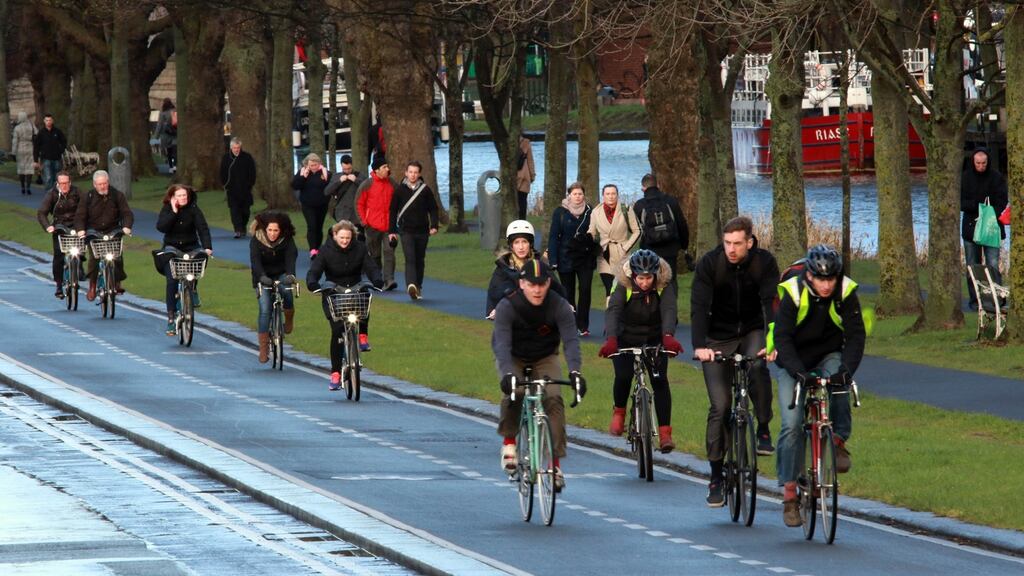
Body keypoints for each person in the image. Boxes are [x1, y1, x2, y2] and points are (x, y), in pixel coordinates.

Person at [772, 244, 865, 528]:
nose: (826, 285)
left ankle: (837, 442)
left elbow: (856, 336)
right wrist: (797, 371)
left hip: (828, 354)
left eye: (830, 279)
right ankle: (790, 493)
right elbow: (782, 338)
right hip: (795, 359)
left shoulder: (846, 293)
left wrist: (846, 371)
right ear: (810, 276)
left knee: (839, 384)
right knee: (791, 423)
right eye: (821, 279)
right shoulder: (792, 292)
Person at [691, 216, 780, 507]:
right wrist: (699, 346)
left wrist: (773, 340)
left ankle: (763, 427)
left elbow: (770, 303)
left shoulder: (763, 262)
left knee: (756, 367)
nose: (731, 249)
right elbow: (699, 306)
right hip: (717, 337)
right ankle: (716, 477)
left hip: (752, 331)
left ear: (750, 242)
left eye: (737, 244)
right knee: (720, 407)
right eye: (727, 243)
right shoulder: (710, 264)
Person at [492, 259, 586, 491]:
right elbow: (502, 344)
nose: (537, 290)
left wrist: (575, 372)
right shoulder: (508, 306)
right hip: (513, 355)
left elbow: (571, 341)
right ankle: (510, 443)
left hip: (545, 356)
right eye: (531, 284)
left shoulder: (559, 306)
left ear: (548, 283)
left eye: (542, 284)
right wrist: (506, 374)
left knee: (553, 397)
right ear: (522, 283)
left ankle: (554, 465)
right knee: (517, 391)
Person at [599, 249, 683, 453]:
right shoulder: (623, 284)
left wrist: (669, 337)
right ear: (633, 275)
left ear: (655, 274)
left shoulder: (664, 283)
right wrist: (611, 339)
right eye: (640, 278)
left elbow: (670, 310)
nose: (645, 282)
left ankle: (665, 434)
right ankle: (619, 413)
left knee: (660, 381)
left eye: (648, 278)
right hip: (623, 336)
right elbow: (614, 311)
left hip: (655, 338)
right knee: (623, 376)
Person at [306, 220, 384, 389]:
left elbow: (370, 267)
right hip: (334, 292)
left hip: (355, 288)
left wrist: (377, 279)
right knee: (337, 332)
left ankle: (363, 334)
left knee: (364, 296)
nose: (345, 240)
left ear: (353, 236)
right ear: (335, 236)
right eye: (341, 237)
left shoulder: (360, 248)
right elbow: (315, 270)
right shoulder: (326, 251)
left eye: (348, 237)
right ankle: (335, 373)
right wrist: (313, 283)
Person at [155, 185, 212, 335]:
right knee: (172, 280)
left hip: (191, 247)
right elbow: (161, 227)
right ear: (173, 197)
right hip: (172, 248)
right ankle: (171, 318)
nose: (183, 198)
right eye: (179, 196)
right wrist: (174, 212)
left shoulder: (194, 209)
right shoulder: (167, 209)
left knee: (200, 261)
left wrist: (207, 247)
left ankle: (192, 289)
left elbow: (203, 229)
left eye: (185, 195)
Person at [485, 220, 566, 319]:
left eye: (524, 242)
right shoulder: (504, 266)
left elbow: (556, 288)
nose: (521, 247)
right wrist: (493, 310)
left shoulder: (540, 264)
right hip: (513, 317)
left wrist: (564, 305)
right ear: (511, 245)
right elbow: (494, 292)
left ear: (530, 243)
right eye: (516, 242)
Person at [74, 170, 134, 301]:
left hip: (113, 231)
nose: (102, 186)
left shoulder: (117, 195)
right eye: (99, 184)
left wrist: (127, 227)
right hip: (94, 232)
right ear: (94, 184)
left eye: (105, 183)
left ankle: (117, 282)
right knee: (94, 259)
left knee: (117, 257)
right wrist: (80, 230)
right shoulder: (88, 196)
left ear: (108, 182)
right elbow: (80, 215)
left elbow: (127, 213)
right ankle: (92, 285)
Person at [548, 182, 598, 336]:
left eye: (580, 194)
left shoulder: (591, 211)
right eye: (574, 194)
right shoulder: (560, 212)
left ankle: (583, 326)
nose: (578, 197)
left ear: (584, 195)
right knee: (568, 292)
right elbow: (553, 237)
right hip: (565, 257)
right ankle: (571, 323)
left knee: (585, 290)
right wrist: (553, 259)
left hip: (585, 257)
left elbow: (596, 232)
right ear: (569, 195)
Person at [960, 148, 1007, 309]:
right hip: (971, 227)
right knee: (973, 266)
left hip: (992, 227)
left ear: (988, 162)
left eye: (984, 163)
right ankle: (975, 300)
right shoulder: (965, 178)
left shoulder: (996, 177)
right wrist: (978, 206)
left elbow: (1002, 201)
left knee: (993, 264)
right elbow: (961, 202)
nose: (981, 166)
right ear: (973, 162)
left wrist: (990, 210)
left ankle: (996, 298)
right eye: (978, 163)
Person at [250, 211, 298, 363]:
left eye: (276, 230)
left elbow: (291, 258)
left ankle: (289, 318)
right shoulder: (256, 240)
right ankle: (263, 348)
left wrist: (290, 275)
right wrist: (262, 277)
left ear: (281, 230)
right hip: (262, 276)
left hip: (282, 274)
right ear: (265, 229)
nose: (272, 234)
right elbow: (255, 262)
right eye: (269, 230)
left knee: (287, 292)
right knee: (265, 309)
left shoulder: (288, 240)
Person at [389, 160, 438, 300]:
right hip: (406, 230)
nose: (413, 175)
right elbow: (392, 211)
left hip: (423, 231)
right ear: (406, 173)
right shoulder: (399, 190)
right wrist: (391, 231)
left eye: (415, 172)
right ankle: (411, 285)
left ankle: (418, 287)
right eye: (410, 172)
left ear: (419, 174)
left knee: (419, 259)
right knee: (410, 258)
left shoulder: (425, 190)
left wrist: (433, 225)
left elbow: (433, 209)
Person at [587, 183, 641, 301]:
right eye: (608, 194)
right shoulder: (596, 212)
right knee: (609, 290)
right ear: (603, 195)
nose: (611, 196)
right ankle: (610, 317)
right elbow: (591, 232)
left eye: (613, 193)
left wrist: (625, 247)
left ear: (617, 195)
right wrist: (591, 244)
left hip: (622, 255)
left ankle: (622, 317)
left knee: (622, 290)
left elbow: (637, 231)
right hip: (604, 255)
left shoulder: (625, 209)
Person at [633, 173, 688, 282]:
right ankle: (670, 298)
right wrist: (684, 245)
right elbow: (682, 224)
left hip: (649, 249)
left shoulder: (639, 205)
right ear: (658, 185)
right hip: (671, 247)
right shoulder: (671, 201)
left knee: (651, 281)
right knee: (670, 281)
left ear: (643, 188)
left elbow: (635, 229)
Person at [37, 171, 83, 298]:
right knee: (58, 256)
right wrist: (48, 226)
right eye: (61, 183)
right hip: (59, 228)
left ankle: (79, 267)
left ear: (70, 182)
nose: (64, 186)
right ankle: (58, 285)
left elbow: (86, 207)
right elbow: (42, 213)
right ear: (57, 183)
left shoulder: (77, 192)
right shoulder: (52, 194)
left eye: (66, 183)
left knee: (81, 248)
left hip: (76, 226)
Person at [355, 155, 397, 291]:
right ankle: (377, 279)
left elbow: (400, 198)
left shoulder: (392, 182)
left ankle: (389, 279)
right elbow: (358, 203)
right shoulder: (367, 184)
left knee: (389, 251)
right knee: (375, 254)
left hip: (389, 226)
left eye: (387, 166)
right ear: (376, 170)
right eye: (384, 167)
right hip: (372, 226)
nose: (387, 169)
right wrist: (364, 221)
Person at [292, 152, 332, 259]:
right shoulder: (302, 172)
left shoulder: (325, 173)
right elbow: (295, 186)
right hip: (307, 205)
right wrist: (303, 177)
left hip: (322, 205)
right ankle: (312, 250)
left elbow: (330, 188)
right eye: (311, 165)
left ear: (319, 164)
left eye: (315, 165)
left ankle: (318, 248)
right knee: (312, 226)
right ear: (307, 164)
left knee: (319, 227)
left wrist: (326, 179)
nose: (313, 167)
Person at [219, 137, 257, 238]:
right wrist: (225, 185)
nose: (236, 149)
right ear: (231, 148)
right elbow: (222, 172)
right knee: (234, 211)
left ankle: (242, 227)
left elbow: (252, 172)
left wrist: (250, 184)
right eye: (234, 148)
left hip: (245, 190)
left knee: (245, 211)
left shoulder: (247, 157)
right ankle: (238, 230)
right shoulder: (226, 158)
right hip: (232, 190)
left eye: (238, 147)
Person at [325, 154, 363, 228]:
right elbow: (327, 191)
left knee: (358, 236)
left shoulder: (359, 175)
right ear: (341, 166)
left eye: (349, 168)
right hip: (342, 212)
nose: (347, 171)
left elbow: (367, 188)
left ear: (352, 165)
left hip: (356, 212)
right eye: (344, 169)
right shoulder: (336, 176)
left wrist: (356, 180)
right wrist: (339, 181)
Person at [33, 113, 66, 192]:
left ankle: (56, 192)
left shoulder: (57, 131)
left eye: (50, 120)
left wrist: (60, 150)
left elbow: (64, 142)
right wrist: (35, 160)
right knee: (48, 177)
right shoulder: (41, 133)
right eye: (47, 120)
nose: (48, 122)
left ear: (52, 121)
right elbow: (36, 147)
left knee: (56, 177)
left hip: (57, 158)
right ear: (44, 121)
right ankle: (49, 194)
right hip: (45, 159)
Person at [12, 111, 36, 195]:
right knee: (29, 168)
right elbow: (37, 135)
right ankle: (28, 187)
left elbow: (15, 141)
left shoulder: (17, 128)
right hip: (30, 147)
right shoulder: (32, 126)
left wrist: (13, 152)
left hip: (20, 148)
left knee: (21, 168)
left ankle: (22, 186)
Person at [515, 133, 536, 219]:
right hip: (524, 177)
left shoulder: (508, 143)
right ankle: (522, 223)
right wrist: (532, 175)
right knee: (523, 202)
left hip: (512, 177)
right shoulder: (526, 143)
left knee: (512, 203)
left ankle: (513, 223)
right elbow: (530, 160)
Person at [156, 99, 177, 174]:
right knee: (175, 151)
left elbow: (160, 125)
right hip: (175, 134)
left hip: (166, 135)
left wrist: (156, 136)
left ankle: (171, 167)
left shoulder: (163, 113)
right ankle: (175, 165)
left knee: (169, 151)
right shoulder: (175, 111)